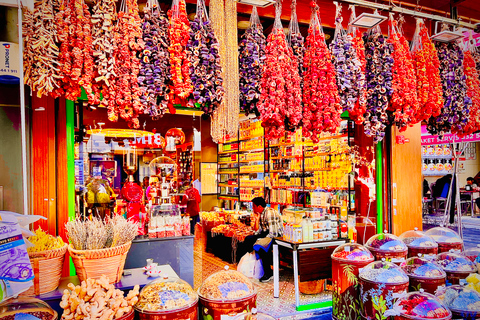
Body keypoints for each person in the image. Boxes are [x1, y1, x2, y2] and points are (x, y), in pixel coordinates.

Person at [251, 197, 283, 283]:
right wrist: (256, 220)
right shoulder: (261, 214)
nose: (252, 209)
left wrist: (261, 240)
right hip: (268, 234)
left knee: (261, 246)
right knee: (249, 239)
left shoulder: (269, 213)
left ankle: (268, 272)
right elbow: (259, 230)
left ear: (260, 206)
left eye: (254, 206)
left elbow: (273, 233)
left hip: (276, 237)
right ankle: (257, 269)